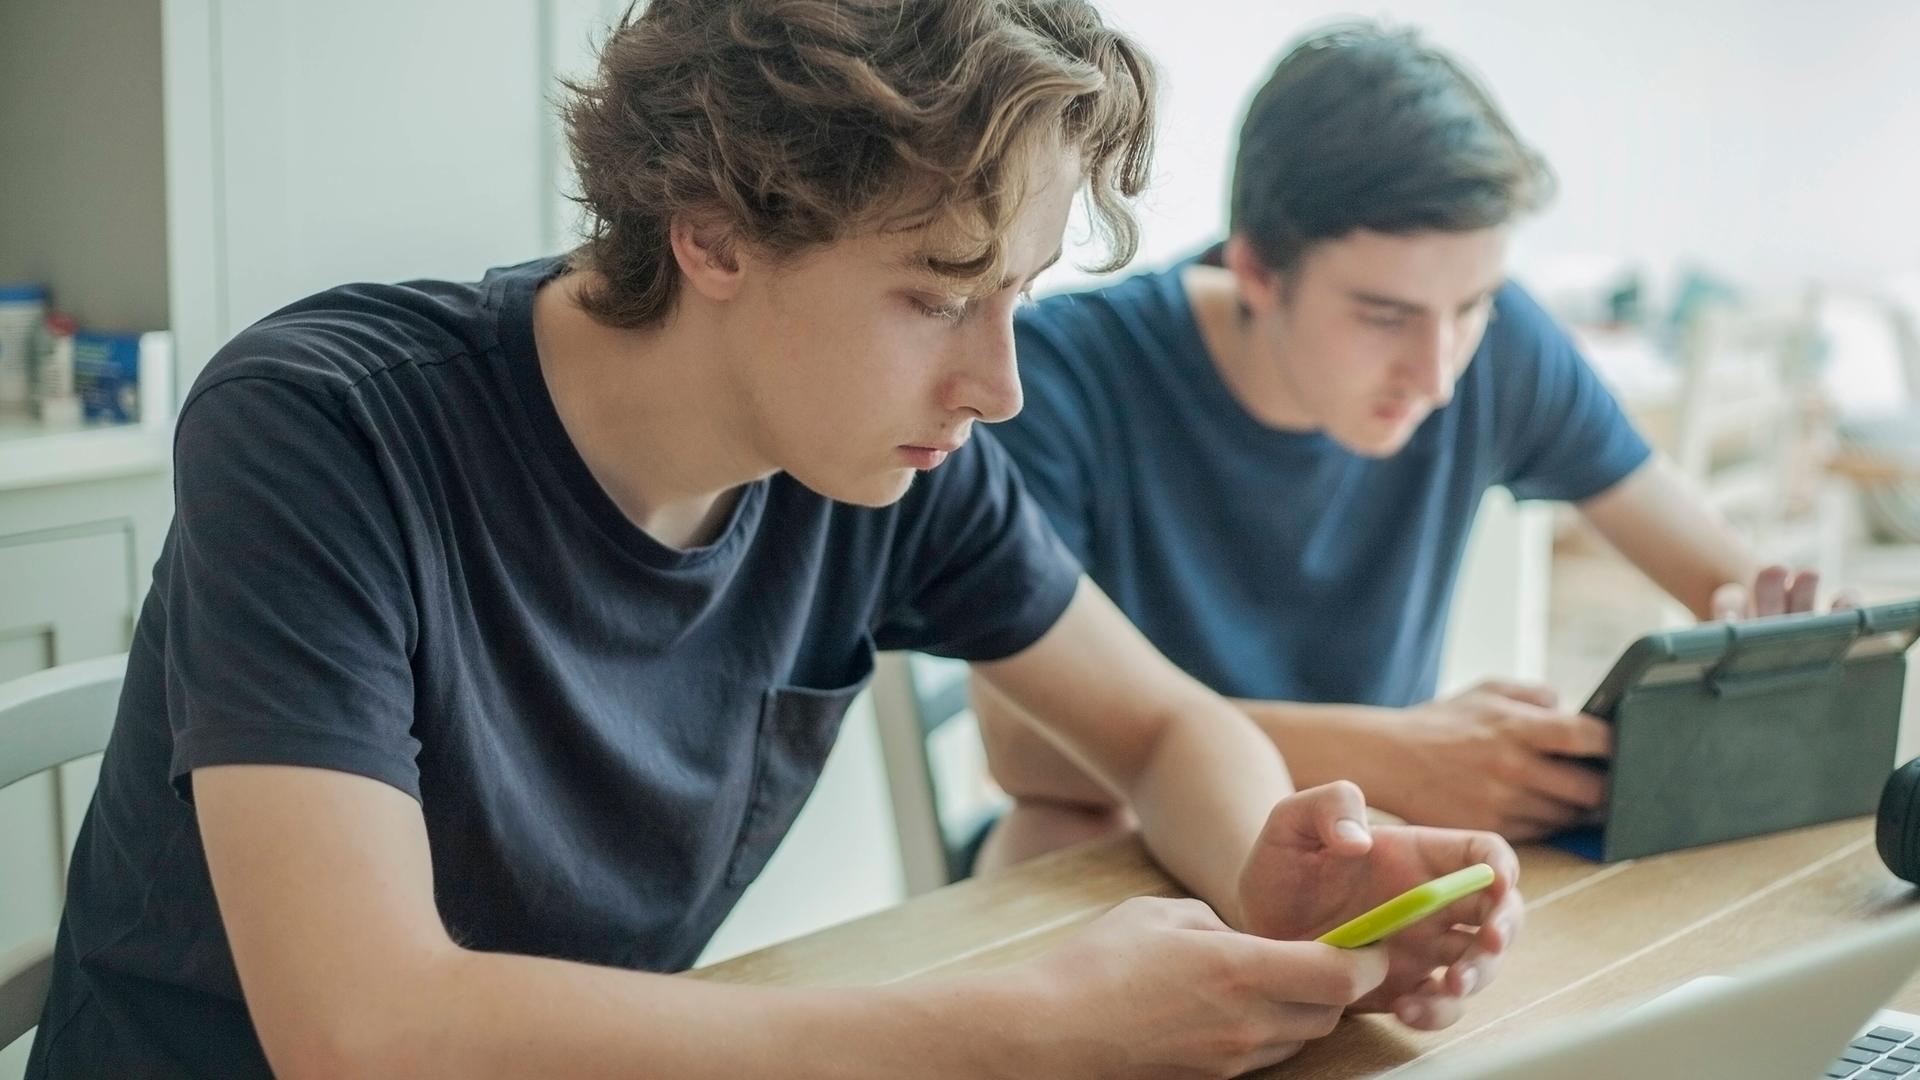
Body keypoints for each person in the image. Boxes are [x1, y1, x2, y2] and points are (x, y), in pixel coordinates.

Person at [26, 4, 1522, 1078]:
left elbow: (1157, 726)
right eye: (938, 293)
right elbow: (364, 1032)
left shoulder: (884, 462)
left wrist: (1273, 875)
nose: (998, 383)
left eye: (1019, 294)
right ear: (714, 233)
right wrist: (1024, 1028)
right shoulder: (327, 427)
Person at [971, 22, 1839, 869]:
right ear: (1258, 271)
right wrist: (1399, 752)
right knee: (1055, 833)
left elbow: (1725, 578)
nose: (1437, 375)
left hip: (1359, 839)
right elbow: (1026, 750)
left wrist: (1766, 642)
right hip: (1120, 840)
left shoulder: (1500, 347)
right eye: (1385, 317)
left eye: (1470, 307)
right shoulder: (1060, 375)